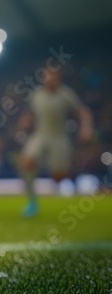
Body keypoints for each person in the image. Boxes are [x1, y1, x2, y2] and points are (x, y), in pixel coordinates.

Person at [18, 67, 94, 217]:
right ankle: (32, 202)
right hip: (40, 135)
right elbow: (30, 113)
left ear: (58, 78)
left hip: (59, 137)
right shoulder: (37, 95)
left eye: (53, 76)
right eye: (47, 76)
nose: (50, 79)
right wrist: (25, 122)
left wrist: (86, 128)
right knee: (26, 163)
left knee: (59, 176)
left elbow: (83, 111)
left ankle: (75, 186)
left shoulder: (66, 94)